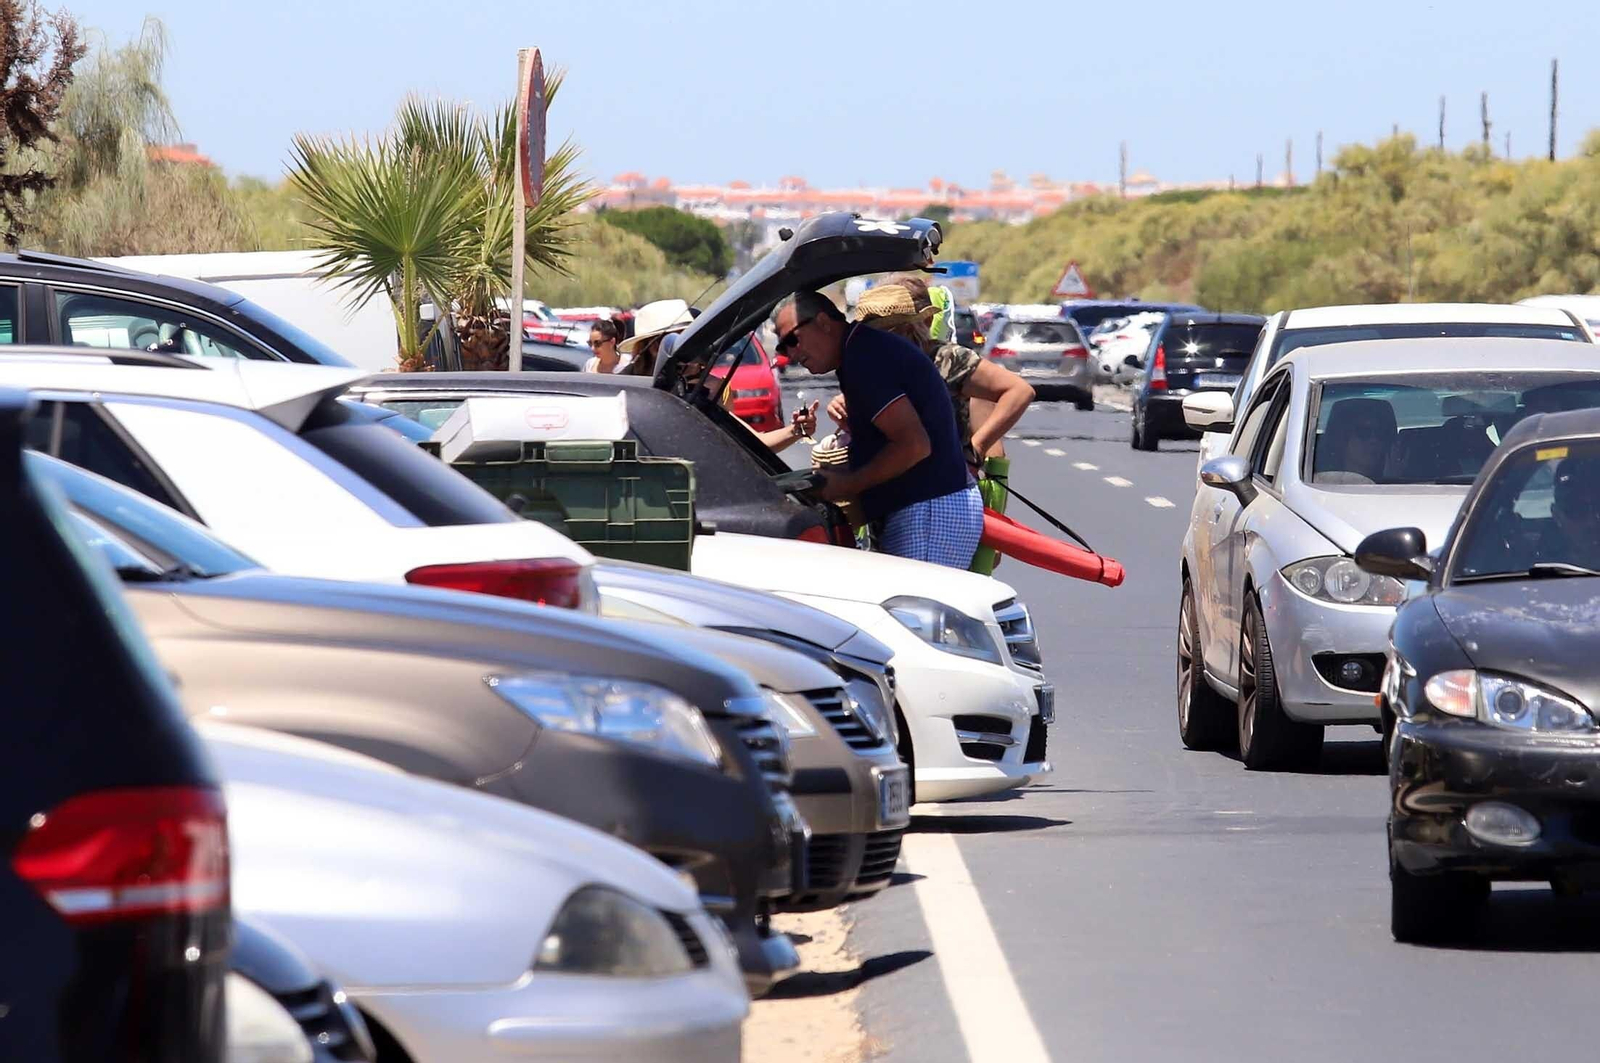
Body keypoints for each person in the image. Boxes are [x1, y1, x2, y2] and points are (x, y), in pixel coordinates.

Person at [774, 289, 981, 568]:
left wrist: (847, 484)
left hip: (927, 510)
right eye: (781, 347)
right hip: (926, 507)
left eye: (791, 340)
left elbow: (914, 445)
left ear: (823, 322)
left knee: (916, 609)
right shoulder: (859, 353)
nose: (790, 353)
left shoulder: (864, 358)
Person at [833, 280, 1034, 469]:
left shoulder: (947, 358)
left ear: (916, 325)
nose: (880, 341)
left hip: (943, 479)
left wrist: (976, 448)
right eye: (873, 334)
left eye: (889, 331)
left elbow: (1019, 391)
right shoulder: (871, 364)